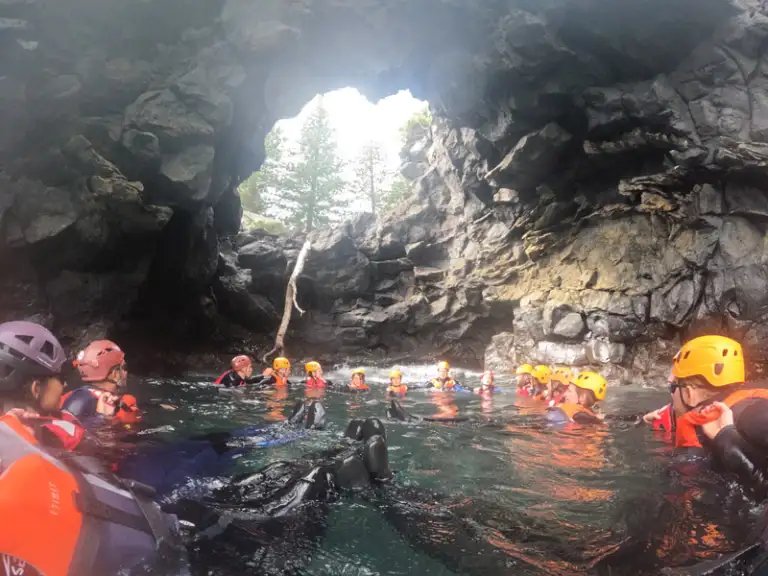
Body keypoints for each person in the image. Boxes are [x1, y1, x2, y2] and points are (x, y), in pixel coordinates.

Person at [0, 321, 184, 575]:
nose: (65, 385)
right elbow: (93, 457)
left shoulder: (35, 426)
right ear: (35, 389)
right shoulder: (44, 433)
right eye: (58, 378)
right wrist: (104, 421)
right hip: (123, 502)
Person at [664, 335, 768, 496]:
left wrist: (728, 440)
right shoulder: (713, 414)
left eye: (672, 388)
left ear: (689, 393)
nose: (671, 395)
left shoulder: (751, 415)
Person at [61, 339, 142, 429]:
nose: (126, 372)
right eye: (123, 367)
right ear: (115, 374)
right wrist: (102, 419)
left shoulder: (77, 397)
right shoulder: (81, 399)